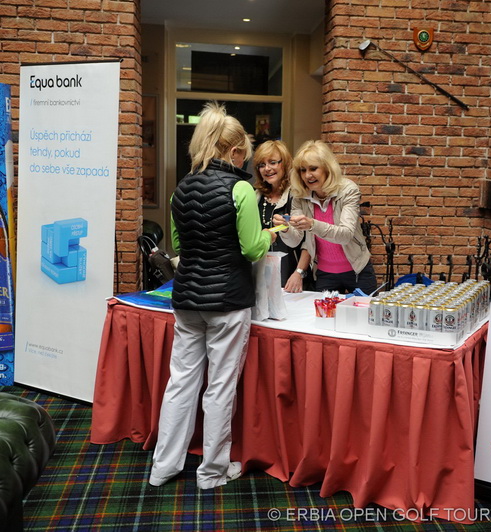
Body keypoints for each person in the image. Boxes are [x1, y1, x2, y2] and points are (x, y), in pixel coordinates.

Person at [149, 102, 275, 489]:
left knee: (180, 383)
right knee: (220, 388)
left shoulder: (181, 189)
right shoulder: (240, 189)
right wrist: (272, 233)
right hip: (228, 301)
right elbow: (252, 249)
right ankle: (212, 472)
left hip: (187, 298)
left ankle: (163, 467)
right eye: (244, 155)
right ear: (235, 150)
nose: (245, 161)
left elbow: (177, 244)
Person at [275, 140, 377, 295]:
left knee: (366, 311)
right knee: (323, 311)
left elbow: (345, 235)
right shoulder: (299, 196)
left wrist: (312, 225)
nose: (307, 175)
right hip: (325, 273)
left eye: (313, 168)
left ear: (327, 168)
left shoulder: (348, 190)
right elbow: (295, 240)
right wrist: (285, 229)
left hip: (357, 270)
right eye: (303, 170)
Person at [252, 140, 311, 293]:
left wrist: (299, 272)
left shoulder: (298, 195)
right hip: (262, 276)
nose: (267, 169)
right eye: (262, 165)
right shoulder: (255, 196)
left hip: (292, 274)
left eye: (273, 162)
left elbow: (310, 241)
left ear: (284, 164)